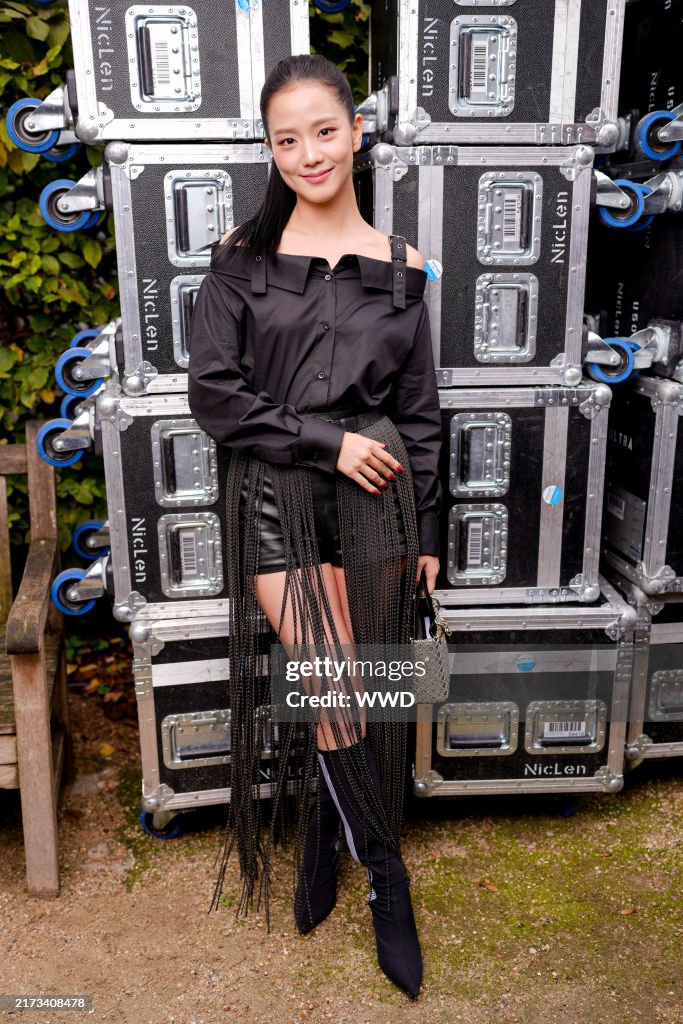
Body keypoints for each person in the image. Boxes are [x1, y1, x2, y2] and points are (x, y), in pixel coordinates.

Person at [187, 53, 442, 1000]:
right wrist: (326, 441)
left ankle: (325, 840)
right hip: (275, 499)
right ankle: (389, 881)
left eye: (323, 131)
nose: (307, 152)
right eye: (285, 138)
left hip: (378, 503)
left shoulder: (406, 269)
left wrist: (429, 537)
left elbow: (419, 415)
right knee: (331, 679)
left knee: (361, 689)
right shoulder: (239, 262)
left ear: (356, 133)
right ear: (269, 148)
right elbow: (216, 395)